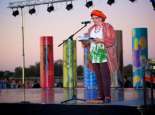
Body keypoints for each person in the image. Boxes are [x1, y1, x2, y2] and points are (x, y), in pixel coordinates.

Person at [81, 9, 118, 103]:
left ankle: (107, 96)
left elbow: (112, 40)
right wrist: (84, 41)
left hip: (104, 54)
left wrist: (101, 40)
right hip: (94, 54)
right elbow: (88, 41)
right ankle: (100, 96)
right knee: (98, 76)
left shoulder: (108, 27)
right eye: (93, 18)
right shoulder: (91, 29)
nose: (94, 20)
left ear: (101, 18)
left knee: (105, 76)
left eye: (96, 18)